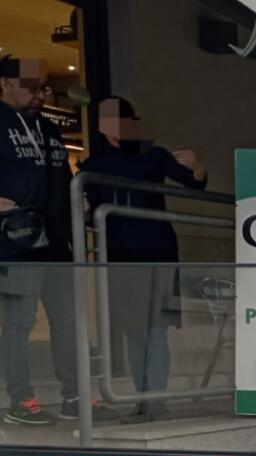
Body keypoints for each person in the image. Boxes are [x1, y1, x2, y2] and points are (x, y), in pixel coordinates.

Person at [79, 97, 207, 422]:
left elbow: (195, 183)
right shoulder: (95, 164)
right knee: (137, 332)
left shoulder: (153, 156)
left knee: (154, 332)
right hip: (122, 255)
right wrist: (85, 212)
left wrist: (197, 163)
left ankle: (154, 400)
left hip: (156, 252)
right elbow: (90, 215)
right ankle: (143, 399)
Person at [0, 56, 111, 425]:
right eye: (31, 87)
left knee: (68, 320)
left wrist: (78, 199)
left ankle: (75, 396)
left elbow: (63, 172)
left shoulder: (48, 128)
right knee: (20, 321)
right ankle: (21, 400)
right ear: (6, 84)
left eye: (44, 88)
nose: (40, 94)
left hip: (59, 237)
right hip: (18, 239)